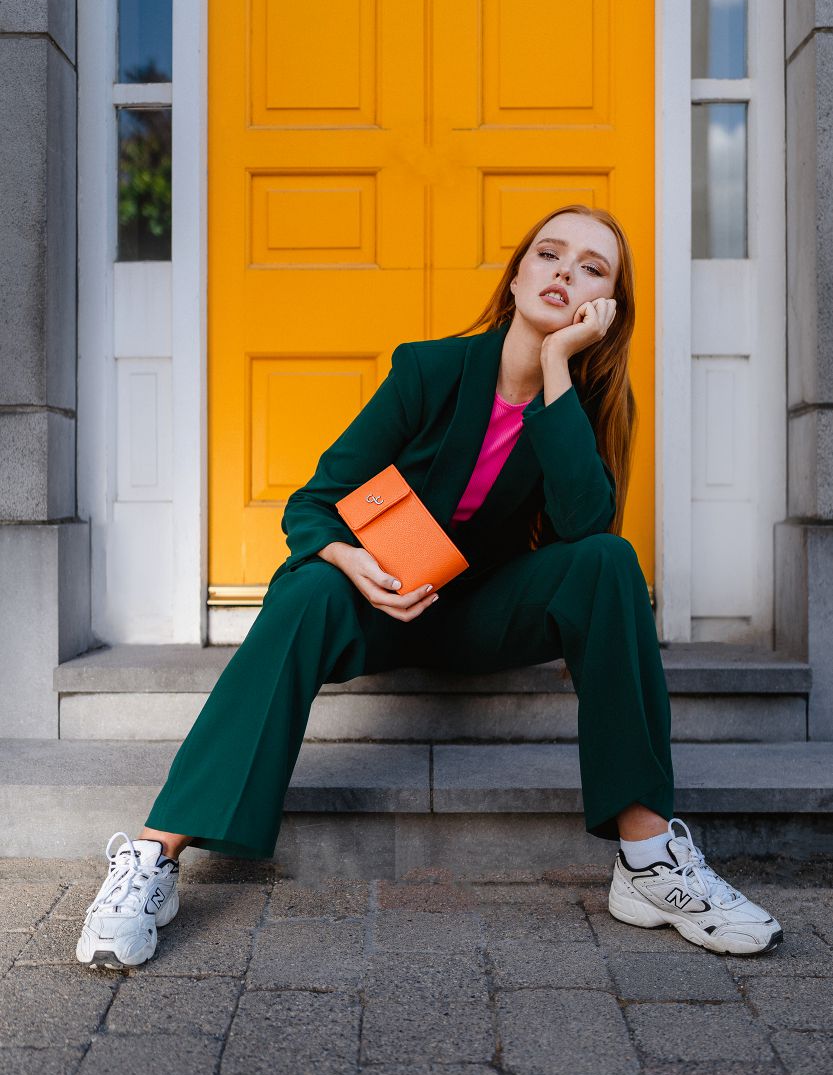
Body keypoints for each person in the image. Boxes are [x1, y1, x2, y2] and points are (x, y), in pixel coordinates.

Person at [75, 204, 782, 970]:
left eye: (591, 268)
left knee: (609, 561)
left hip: (481, 616)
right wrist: (355, 567)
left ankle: (648, 863)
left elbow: (583, 529)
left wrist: (555, 369)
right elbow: (316, 499)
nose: (563, 273)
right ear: (516, 275)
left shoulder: (585, 402)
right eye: (548, 255)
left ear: (603, 308)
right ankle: (154, 858)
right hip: (380, 605)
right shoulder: (431, 370)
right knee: (307, 591)